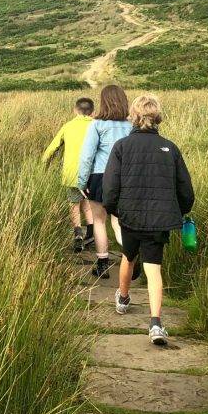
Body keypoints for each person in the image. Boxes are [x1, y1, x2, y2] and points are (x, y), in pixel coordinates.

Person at [103, 94, 194, 346]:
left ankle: (122, 298)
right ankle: (156, 323)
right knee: (154, 268)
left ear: (134, 116)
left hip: (130, 215)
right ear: (157, 117)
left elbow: (110, 187)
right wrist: (182, 210)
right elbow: (185, 189)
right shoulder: (170, 148)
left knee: (128, 257)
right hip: (160, 218)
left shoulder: (121, 146)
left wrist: (114, 210)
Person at [77, 85, 132, 279]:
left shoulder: (97, 125)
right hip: (125, 178)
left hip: (100, 176)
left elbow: (86, 156)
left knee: (99, 221)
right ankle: (131, 260)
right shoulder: (131, 125)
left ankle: (102, 263)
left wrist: (82, 182)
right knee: (120, 223)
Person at [42, 97, 96, 252]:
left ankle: (78, 234)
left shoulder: (68, 126)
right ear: (93, 112)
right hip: (93, 173)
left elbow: (52, 149)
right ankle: (91, 233)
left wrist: (43, 165)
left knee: (74, 204)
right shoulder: (96, 125)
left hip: (72, 173)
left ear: (75, 110)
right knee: (88, 202)